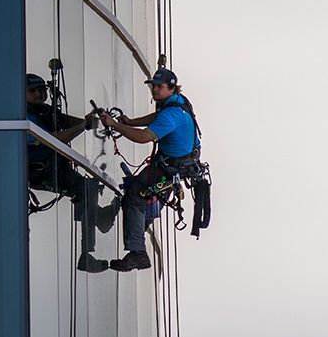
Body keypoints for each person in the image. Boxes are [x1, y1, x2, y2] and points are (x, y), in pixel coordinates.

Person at [98, 68, 199, 270]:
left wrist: (114, 125)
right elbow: (156, 118)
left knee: (134, 196)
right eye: (153, 86)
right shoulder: (177, 102)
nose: (154, 90)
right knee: (138, 193)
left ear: (171, 87)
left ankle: (138, 253)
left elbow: (144, 137)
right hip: (177, 166)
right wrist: (130, 122)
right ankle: (135, 229)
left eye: (159, 87)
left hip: (171, 168)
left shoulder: (172, 114)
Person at [26, 73, 119, 271]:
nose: (38, 94)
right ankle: (87, 252)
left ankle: (100, 219)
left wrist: (95, 120)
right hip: (40, 172)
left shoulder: (44, 111)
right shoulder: (24, 117)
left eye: (41, 90)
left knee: (88, 189)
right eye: (32, 91)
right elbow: (53, 138)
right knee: (85, 189)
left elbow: (67, 121)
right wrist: (83, 125)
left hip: (53, 167)